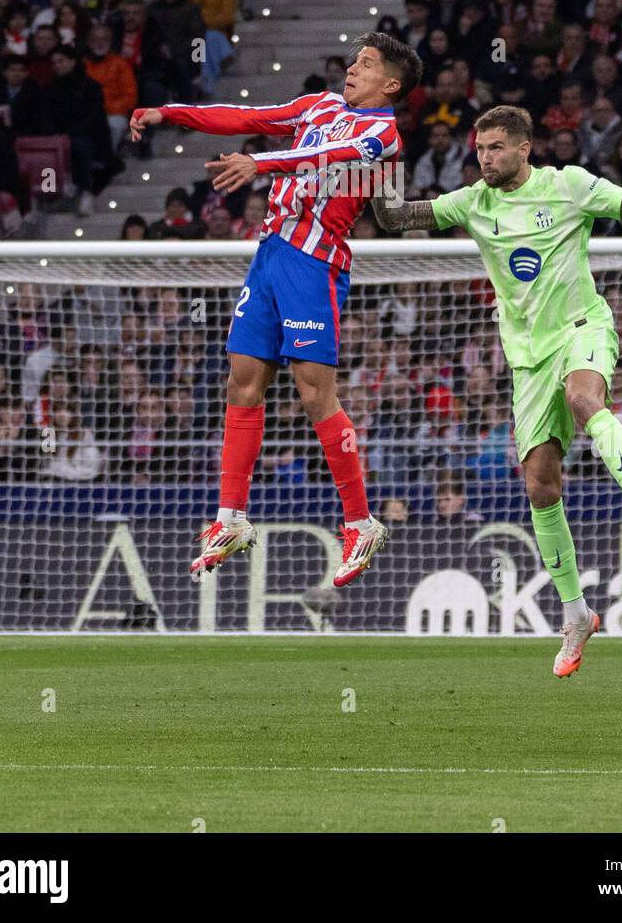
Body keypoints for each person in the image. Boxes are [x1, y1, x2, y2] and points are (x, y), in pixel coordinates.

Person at [372, 103, 622, 680]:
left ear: (523, 148)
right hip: (527, 359)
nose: (484, 158)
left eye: (494, 148)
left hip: (583, 327)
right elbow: (394, 218)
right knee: (539, 486)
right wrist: (379, 159)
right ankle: (576, 613)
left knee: (588, 402)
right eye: (479, 149)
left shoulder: (569, 186)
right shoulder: (473, 201)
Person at [130, 31, 423, 588]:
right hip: (270, 253)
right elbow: (246, 115)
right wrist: (169, 113)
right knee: (241, 382)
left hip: (315, 265)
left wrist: (260, 164)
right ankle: (231, 517)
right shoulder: (320, 105)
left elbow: (323, 154)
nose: (351, 70)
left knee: (314, 393)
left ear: (391, 83)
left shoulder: (382, 134)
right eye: (353, 60)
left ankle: (361, 522)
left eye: (366, 64)